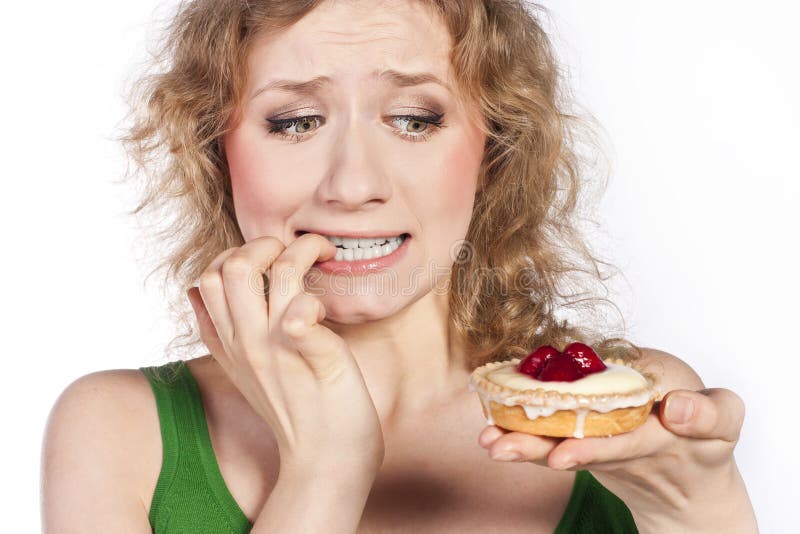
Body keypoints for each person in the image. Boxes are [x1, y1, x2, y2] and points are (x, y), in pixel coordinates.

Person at [40, 0, 757, 532]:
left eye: (414, 119)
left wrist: (709, 510)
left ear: (495, 149)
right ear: (215, 150)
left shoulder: (621, 415)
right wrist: (327, 467)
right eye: (294, 121)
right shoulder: (117, 435)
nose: (353, 185)